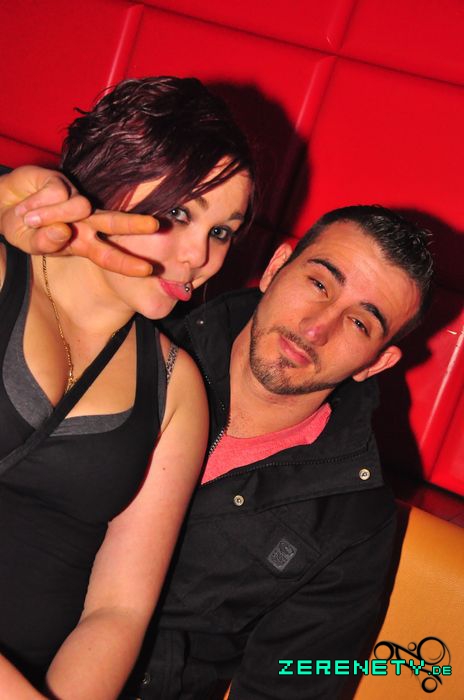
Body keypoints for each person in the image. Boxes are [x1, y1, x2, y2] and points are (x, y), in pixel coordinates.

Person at [0, 75, 254, 699]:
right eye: (178, 213)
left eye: (222, 232)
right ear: (109, 177)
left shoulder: (176, 387)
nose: (199, 256)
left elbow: (117, 612)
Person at [120, 204, 431, 700]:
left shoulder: (354, 518)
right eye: (319, 283)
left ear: (376, 363)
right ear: (275, 267)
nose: (316, 328)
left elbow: (291, 688)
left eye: (359, 323)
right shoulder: (135, 342)